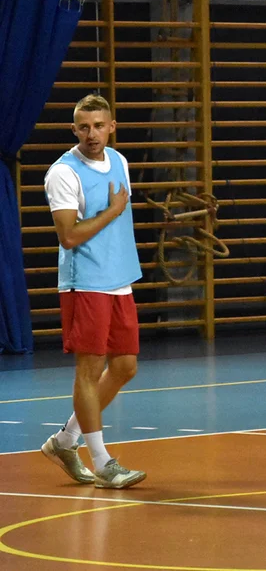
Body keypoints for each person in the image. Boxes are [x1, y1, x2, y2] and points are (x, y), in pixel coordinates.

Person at [40, 94, 147, 489]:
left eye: (99, 125)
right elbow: (68, 236)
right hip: (85, 282)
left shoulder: (119, 161)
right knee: (90, 370)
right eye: (84, 127)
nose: (92, 134)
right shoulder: (63, 173)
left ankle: (65, 441)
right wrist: (112, 211)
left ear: (111, 126)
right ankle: (103, 462)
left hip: (119, 279)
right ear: (74, 130)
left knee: (125, 367)